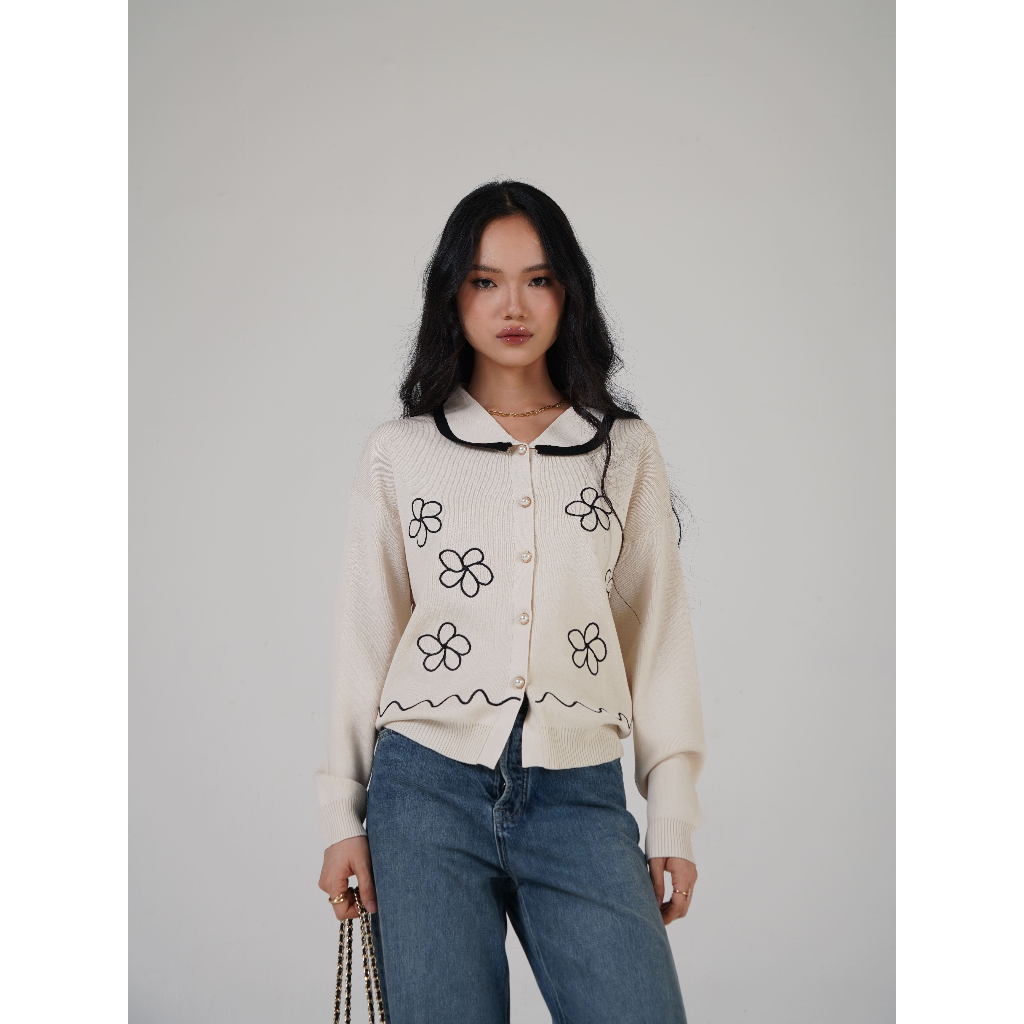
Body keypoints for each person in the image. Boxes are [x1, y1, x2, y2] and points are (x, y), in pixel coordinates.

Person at [315, 181, 706, 1024]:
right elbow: (364, 634)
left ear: (569, 292)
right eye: (485, 281)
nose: (513, 305)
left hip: (579, 792)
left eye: (539, 279)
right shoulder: (401, 453)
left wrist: (671, 811)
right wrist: (341, 814)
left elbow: (659, 634)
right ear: (451, 295)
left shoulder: (620, 449)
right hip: (423, 793)